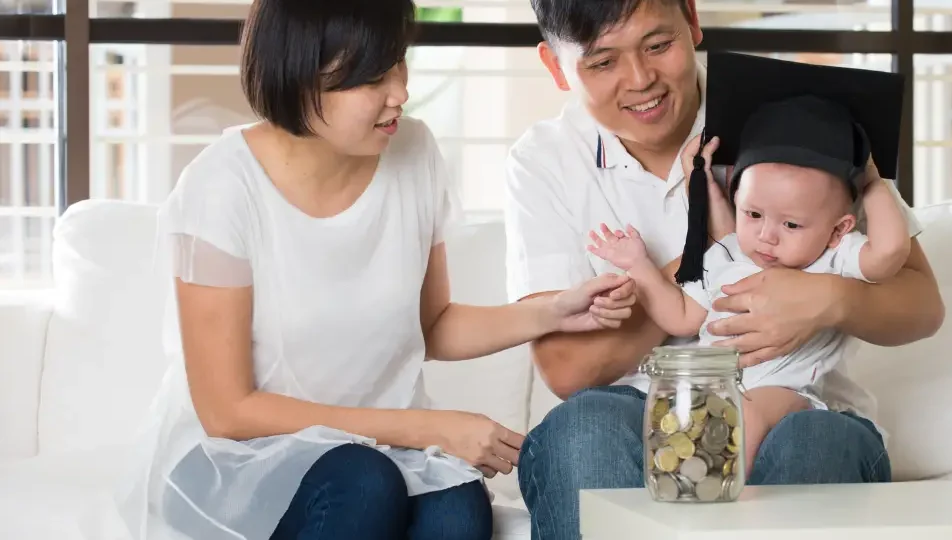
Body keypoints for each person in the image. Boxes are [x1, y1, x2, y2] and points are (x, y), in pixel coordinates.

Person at [111, 0, 637, 539]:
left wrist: (554, 312)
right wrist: (430, 428)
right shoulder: (221, 188)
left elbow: (432, 325)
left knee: (458, 509)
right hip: (240, 458)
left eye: (398, 64)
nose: (400, 94)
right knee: (365, 483)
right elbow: (228, 410)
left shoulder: (413, 150)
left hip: (377, 447)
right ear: (297, 81)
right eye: (371, 79)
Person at [505, 0, 945, 538]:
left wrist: (829, 298)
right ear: (555, 66)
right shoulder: (545, 160)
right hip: (637, 406)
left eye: (659, 45)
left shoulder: (793, 118)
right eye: (602, 63)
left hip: (798, 409)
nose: (641, 80)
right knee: (582, 431)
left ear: (691, 20)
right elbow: (568, 370)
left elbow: (922, 307)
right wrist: (705, 253)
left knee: (815, 444)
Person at [585, 51, 914, 477]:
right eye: (754, 215)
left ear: (838, 228)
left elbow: (889, 255)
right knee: (702, 424)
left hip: (788, 392)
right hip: (716, 392)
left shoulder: (836, 258)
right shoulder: (728, 257)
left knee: (746, 417)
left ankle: (740, 515)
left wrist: (871, 180)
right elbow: (682, 317)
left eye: (791, 224)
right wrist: (642, 266)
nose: (766, 236)